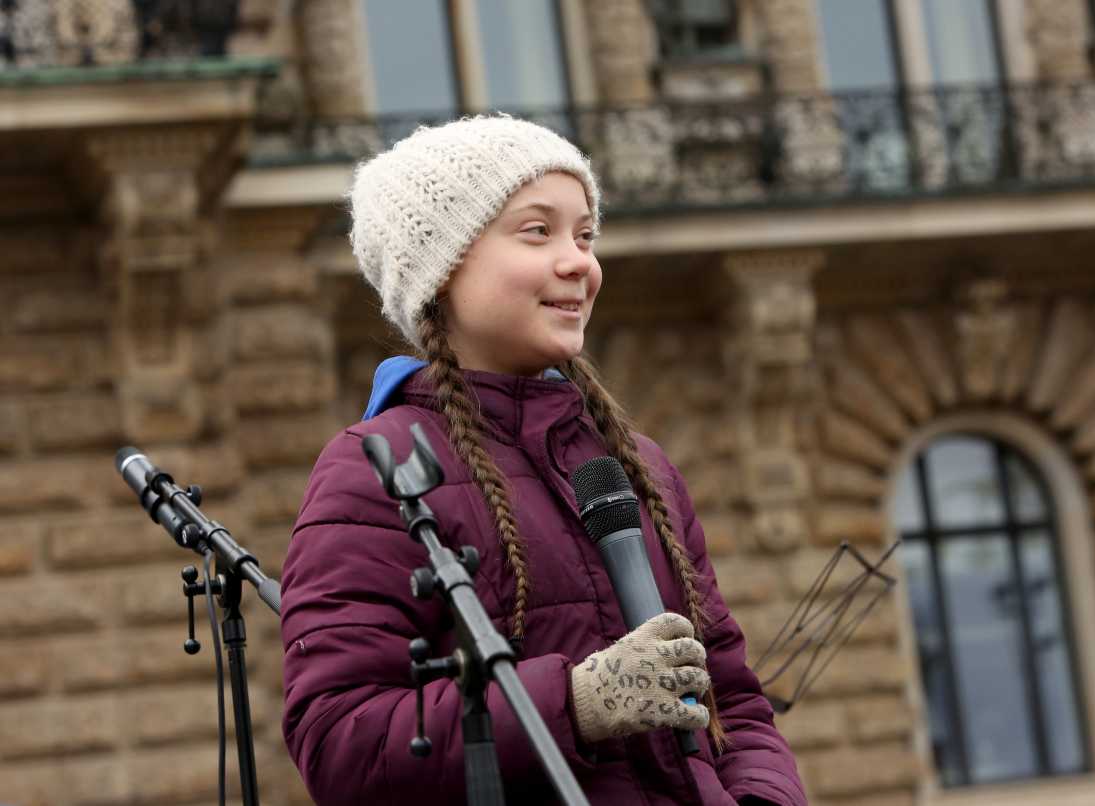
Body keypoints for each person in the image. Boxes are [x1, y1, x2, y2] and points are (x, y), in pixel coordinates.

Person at [280, 115, 807, 805]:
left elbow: (733, 698)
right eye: (538, 231)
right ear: (442, 269)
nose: (579, 262)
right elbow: (340, 743)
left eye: (585, 235)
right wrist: (575, 703)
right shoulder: (378, 469)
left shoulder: (639, 464)